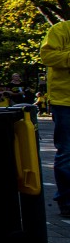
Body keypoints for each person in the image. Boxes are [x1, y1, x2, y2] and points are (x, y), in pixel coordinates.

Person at [40, 21, 70, 220]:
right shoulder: (61, 30)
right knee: (68, 152)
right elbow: (48, 56)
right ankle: (67, 201)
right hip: (66, 101)